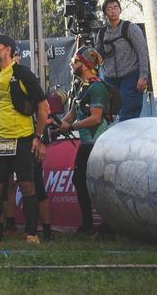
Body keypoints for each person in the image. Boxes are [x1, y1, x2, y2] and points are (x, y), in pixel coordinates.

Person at [0, 33, 49, 244]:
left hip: (23, 138)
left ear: (8, 49)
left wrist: (38, 137)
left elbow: (43, 106)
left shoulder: (23, 74)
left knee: (27, 185)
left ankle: (31, 234)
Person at [55, 48, 109, 235]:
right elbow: (72, 114)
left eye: (75, 62)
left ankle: (102, 225)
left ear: (86, 65)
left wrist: (71, 127)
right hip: (86, 144)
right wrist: (57, 125)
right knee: (79, 181)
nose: (71, 64)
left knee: (94, 183)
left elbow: (96, 118)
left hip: (97, 143)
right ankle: (88, 225)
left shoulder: (98, 87)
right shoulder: (81, 85)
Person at [93, 0, 149, 121]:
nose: (112, 11)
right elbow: (98, 55)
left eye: (115, 7)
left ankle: (129, 139)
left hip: (130, 74)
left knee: (128, 113)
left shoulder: (130, 28)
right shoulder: (102, 33)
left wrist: (143, 76)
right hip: (110, 78)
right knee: (111, 113)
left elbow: (142, 52)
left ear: (120, 10)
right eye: (109, 9)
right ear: (105, 13)